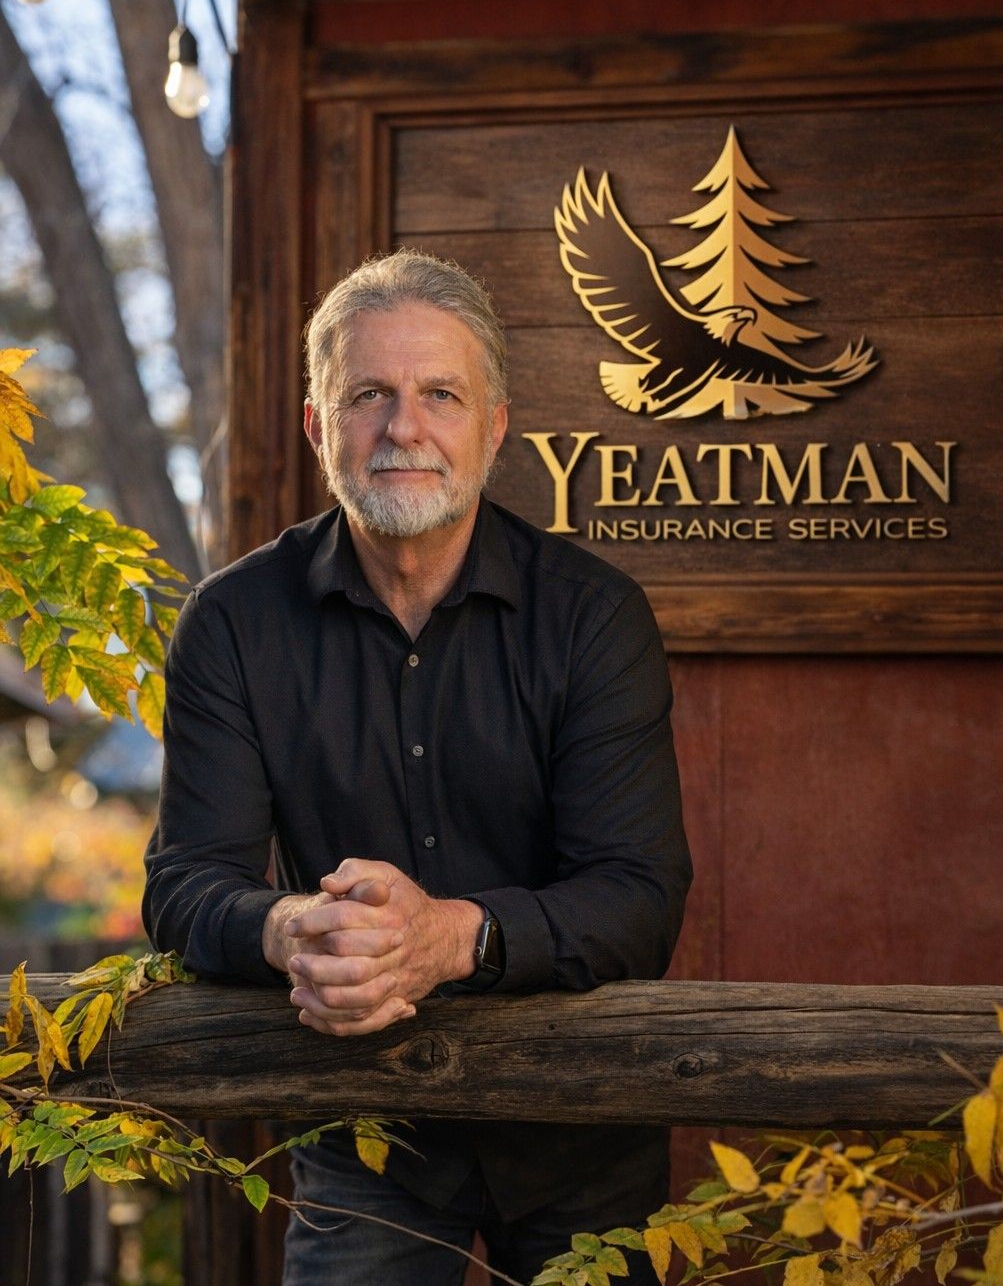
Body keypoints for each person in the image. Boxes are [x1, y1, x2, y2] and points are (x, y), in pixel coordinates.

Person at [143, 249, 691, 1286]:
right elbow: (182, 884)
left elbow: (638, 893)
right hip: (362, 1128)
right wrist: (291, 927)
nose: (404, 428)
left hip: (581, 1116)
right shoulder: (232, 622)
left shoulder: (593, 616)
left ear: (493, 426)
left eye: (441, 393)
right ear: (319, 427)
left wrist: (446, 937)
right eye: (369, 396)